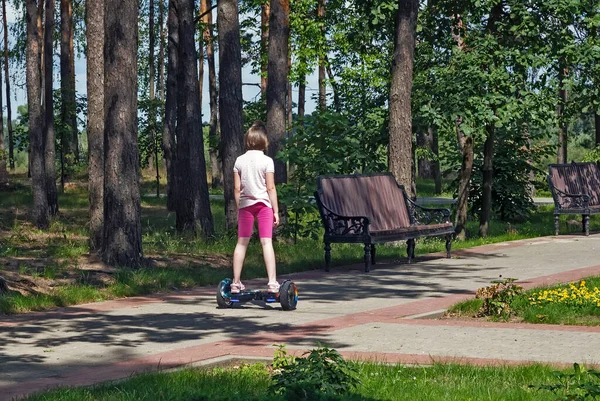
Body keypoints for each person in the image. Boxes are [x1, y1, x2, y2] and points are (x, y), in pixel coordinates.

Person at [231, 120, 280, 294]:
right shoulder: (267, 161)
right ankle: (272, 282)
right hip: (263, 205)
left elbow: (237, 188)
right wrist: (275, 210)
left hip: (245, 205)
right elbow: (271, 188)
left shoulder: (239, 161)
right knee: (266, 242)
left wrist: (239, 208)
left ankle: (235, 283)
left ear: (248, 140)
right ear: (264, 141)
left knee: (241, 243)